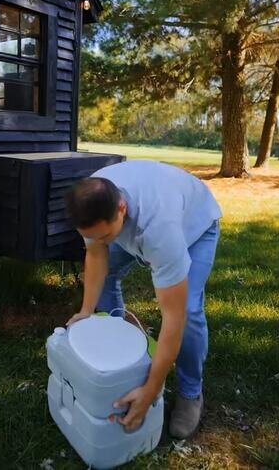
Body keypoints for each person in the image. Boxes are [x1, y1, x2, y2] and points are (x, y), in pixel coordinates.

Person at [64, 160, 222, 439]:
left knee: (188, 309)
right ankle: (124, 343)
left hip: (195, 226)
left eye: (104, 235)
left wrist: (150, 391)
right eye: (90, 236)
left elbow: (174, 318)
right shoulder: (92, 201)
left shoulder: (158, 230)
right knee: (107, 271)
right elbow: (97, 254)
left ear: (121, 209)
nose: (98, 241)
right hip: (142, 218)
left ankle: (190, 394)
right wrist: (87, 311)